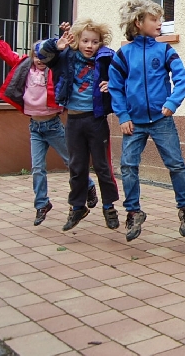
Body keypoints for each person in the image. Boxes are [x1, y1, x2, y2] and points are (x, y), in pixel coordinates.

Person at [0, 20, 97, 225]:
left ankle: (88, 185)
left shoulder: (55, 68)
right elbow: (7, 54)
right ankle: (42, 204)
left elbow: (68, 52)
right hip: (35, 127)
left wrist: (67, 34)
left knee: (70, 161)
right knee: (37, 168)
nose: (40, 60)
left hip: (53, 125)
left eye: (44, 56)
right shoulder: (24, 66)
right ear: (31, 56)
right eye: (36, 56)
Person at [108, 0, 185, 242]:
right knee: (128, 166)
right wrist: (123, 115)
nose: (160, 23)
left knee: (176, 164)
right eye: (154, 19)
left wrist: (172, 102)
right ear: (138, 22)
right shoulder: (123, 55)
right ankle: (134, 212)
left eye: (161, 19)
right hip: (133, 122)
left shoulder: (165, 50)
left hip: (161, 119)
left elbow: (182, 79)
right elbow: (115, 88)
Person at [37, 19, 121, 232]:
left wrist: (113, 84)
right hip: (74, 120)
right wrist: (56, 45)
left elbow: (124, 78)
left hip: (96, 120)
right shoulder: (66, 56)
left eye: (94, 42)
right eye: (85, 41)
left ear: (101, 43)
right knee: (77, 166)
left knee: (102, 166)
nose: (89, 46)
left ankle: (109, 207)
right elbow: (41, 55)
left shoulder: (106, 59)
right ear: (77, 40)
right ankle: (77, 207)